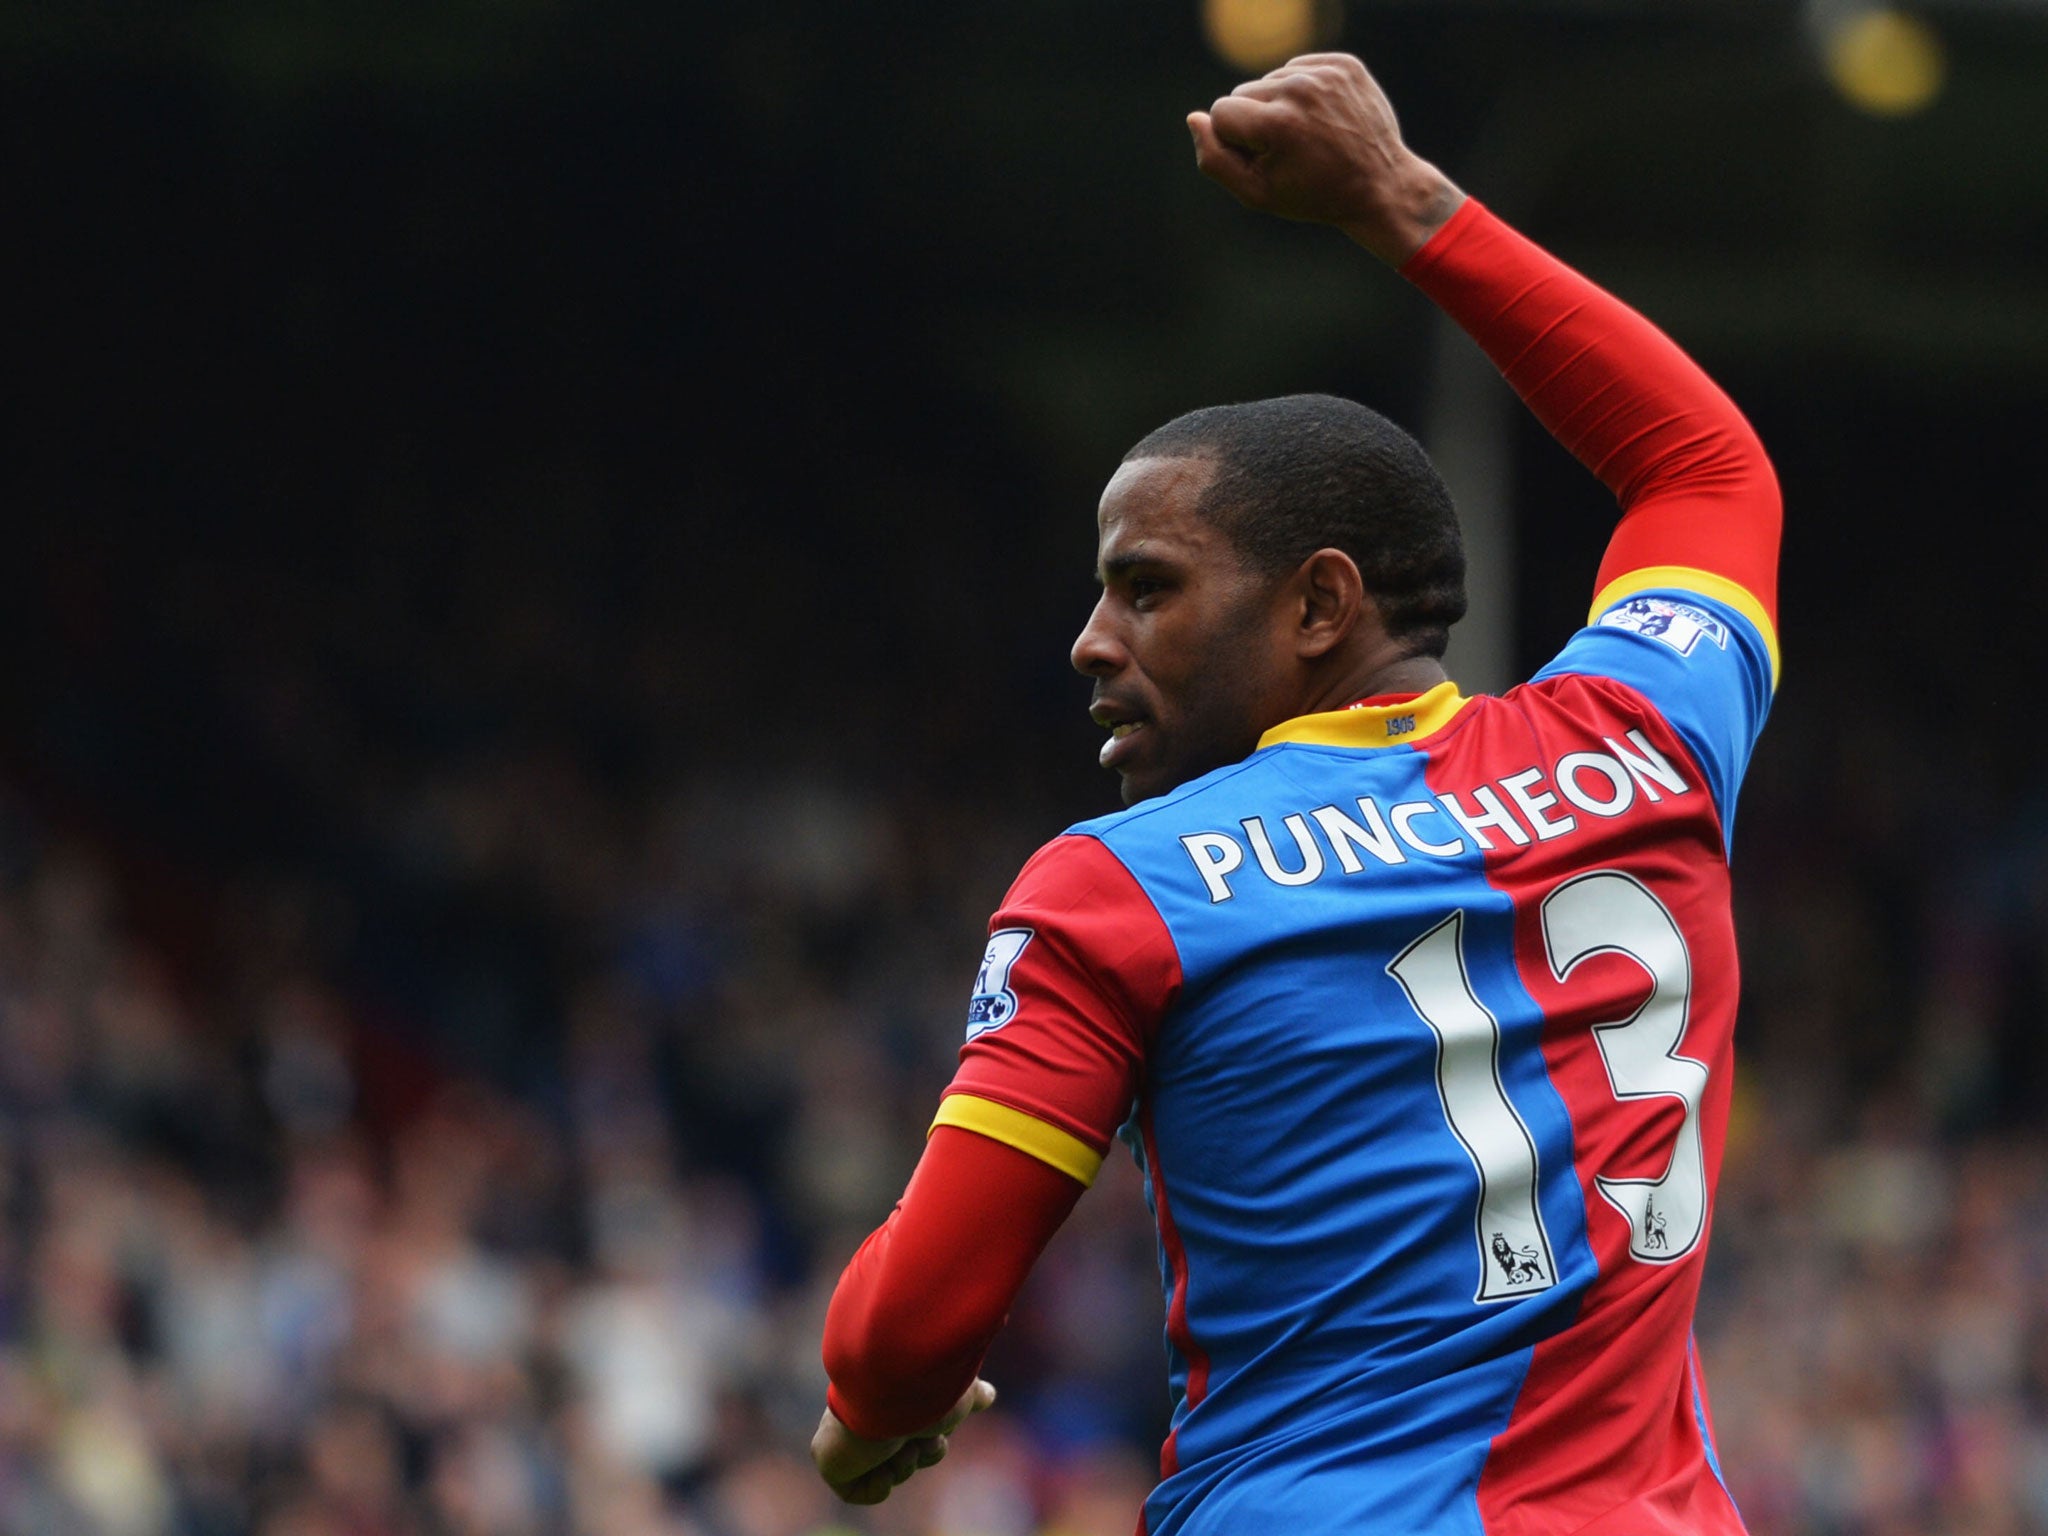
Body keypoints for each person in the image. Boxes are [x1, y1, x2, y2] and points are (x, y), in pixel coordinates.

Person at [811, 50, 1779, 1535]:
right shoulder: (1648, 743)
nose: (1092, 639)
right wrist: (1407, 205)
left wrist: (871, 1415)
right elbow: (1705, 468)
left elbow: (908, 1328)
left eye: (1147, 588)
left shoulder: (1125, 886)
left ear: (1320, 606)